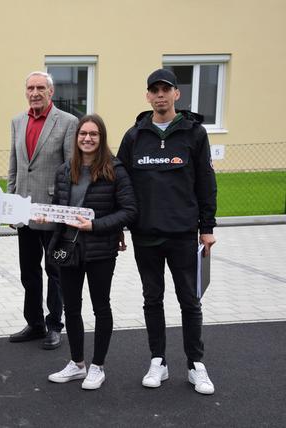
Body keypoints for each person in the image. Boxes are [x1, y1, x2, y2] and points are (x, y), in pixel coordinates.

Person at [117, 68, 217, 395]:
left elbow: (206, 183)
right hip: (145, 234)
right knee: (152, 298)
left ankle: (195, 365)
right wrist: (119, 225)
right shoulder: (135, 136)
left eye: (166, 89)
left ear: (177, 94)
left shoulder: (194, 134)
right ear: (147, 95)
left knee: (190, 300)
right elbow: (121, 184)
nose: (160, 95)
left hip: (182, 234)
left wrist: (207, 228)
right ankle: (158, 360)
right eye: (154, 90)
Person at [45, 114, 137, 389]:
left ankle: (98, 366)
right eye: (83, 133)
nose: (87, 138)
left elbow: (129, 211)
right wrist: (45, 216)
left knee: (101, 307)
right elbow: (58, 207)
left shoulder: (115, 170)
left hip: (100, 250)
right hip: (67, 250)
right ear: (76, 138)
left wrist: (95, 226)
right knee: (71, 308)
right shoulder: (64, 170)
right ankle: (76, 363)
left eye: (93, 134)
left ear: (101, 138)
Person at [7, 71, 78, 350]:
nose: (35, 92)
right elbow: (14, 166)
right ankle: (34, 323)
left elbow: (72, 170)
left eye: (40, 88)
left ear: (51, 91)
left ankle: (54, 325)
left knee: (54, 271)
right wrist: (12, 206)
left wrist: (64, 211)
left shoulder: (67, 122)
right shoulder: (17, 121)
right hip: (23, 211)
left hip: (51, 212)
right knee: (29, 272)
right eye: (30, 88)